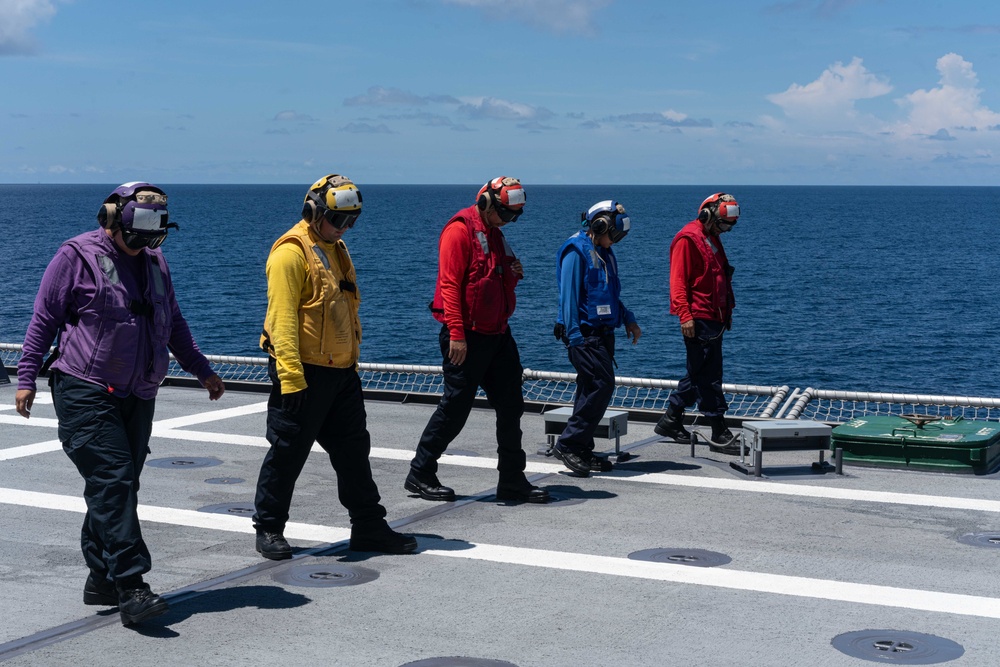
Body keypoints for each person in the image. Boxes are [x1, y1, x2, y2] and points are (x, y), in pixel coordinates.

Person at [15, 182, 226, 626]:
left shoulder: (155, 262)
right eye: (135, 234)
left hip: (139, 392)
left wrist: (201, 368)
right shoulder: (74, 257)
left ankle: (101, 579)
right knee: (113, 481)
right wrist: (26, 378)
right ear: (112, 220)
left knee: (118, 486)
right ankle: (131, 585)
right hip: (84, 388)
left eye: (152, 234)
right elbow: (44, 318)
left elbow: (173, 321)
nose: (143, 243)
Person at [253, 174, 417, 560]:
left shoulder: (335, 248)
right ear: (313, 212)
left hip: (340, 372)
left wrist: (350, 365)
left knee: (353, 451)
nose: (346, 229)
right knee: (288, 452)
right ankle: (269, 528)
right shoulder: (290, 253)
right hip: (303, 372)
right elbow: (283, 322)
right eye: (339, 220)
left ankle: (368, 526)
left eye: (351, 221)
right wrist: (292, 379)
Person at [405, 177, 549, 504]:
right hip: (467, 336)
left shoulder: (496, 236)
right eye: (506, 214)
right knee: (455, 408)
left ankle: (512, 479)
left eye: (514, 216)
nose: (509, 221)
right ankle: (420, 472)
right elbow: (450, 286)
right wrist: (456, 334)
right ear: (486, 203)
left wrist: (513, 274)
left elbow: (498, 281)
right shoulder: (459, 231)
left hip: (497, 334)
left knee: (511, 406)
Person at [551, 200, 641, 476]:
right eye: (612, 234)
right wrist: (574, 336)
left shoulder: (604, 253)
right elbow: (568, 298)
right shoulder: (575, 251)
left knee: (590, 387)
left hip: (602, 334)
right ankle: (569, 444)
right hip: (584, 335)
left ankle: (580, 448)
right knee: (601, 384)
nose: (614, 241)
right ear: (599, 225)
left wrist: (627, 318)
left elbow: (608, 294)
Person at [655, 192, 741, 453]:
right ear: (707, 215)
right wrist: (685, 315)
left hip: (714, 316)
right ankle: (718, 430)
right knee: (709, 374)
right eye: (722, 224)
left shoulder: (709, 237)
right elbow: (678, 281)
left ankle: (671, 418)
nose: (723, 230)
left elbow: (720, 276)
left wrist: (727, 312)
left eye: (727, 226)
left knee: (699, 372)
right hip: (699, 317)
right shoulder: (688, 238)